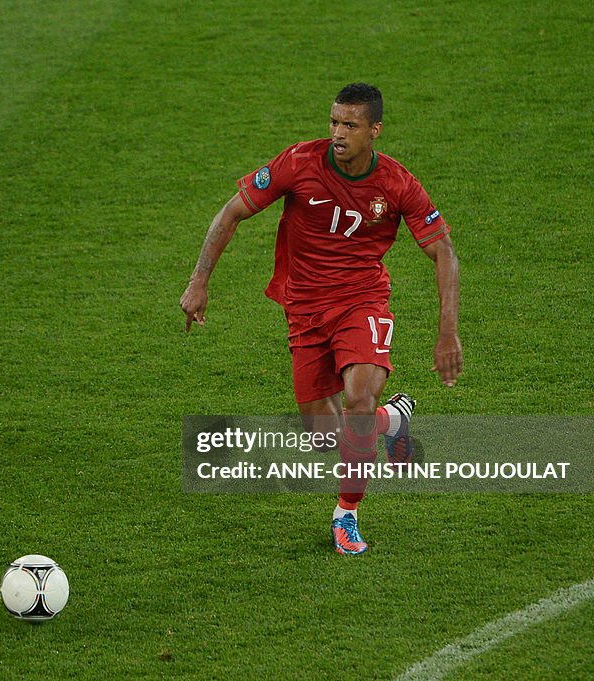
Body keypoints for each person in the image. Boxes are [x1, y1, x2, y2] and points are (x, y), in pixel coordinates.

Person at [180, 83, 462, 555]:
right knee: (325, 437)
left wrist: (447, 332)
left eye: (350, 125)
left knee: (357, 401)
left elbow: (443, 251)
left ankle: (345, 515)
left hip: (362, 301)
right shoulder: (300, 163)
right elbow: (231, 213)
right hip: (305, 309)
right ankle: (393, 421)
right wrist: (198, 281)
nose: (337, 133)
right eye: (334, 122)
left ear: (374, 130)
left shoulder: (397, 183)